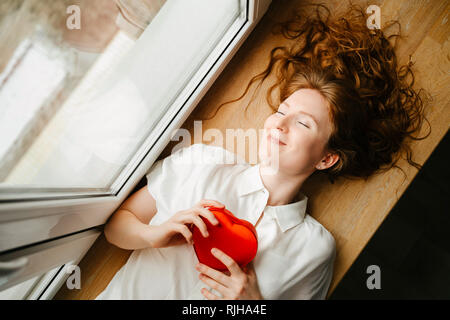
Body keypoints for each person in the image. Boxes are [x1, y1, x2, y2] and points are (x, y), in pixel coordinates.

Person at [95, 3, 429, 300]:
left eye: (304, 124)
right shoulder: (202, 161)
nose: (279, 126)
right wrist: (153, 235)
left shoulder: (313, 249)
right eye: (282, 112)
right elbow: (116, 226)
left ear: (327, 158)